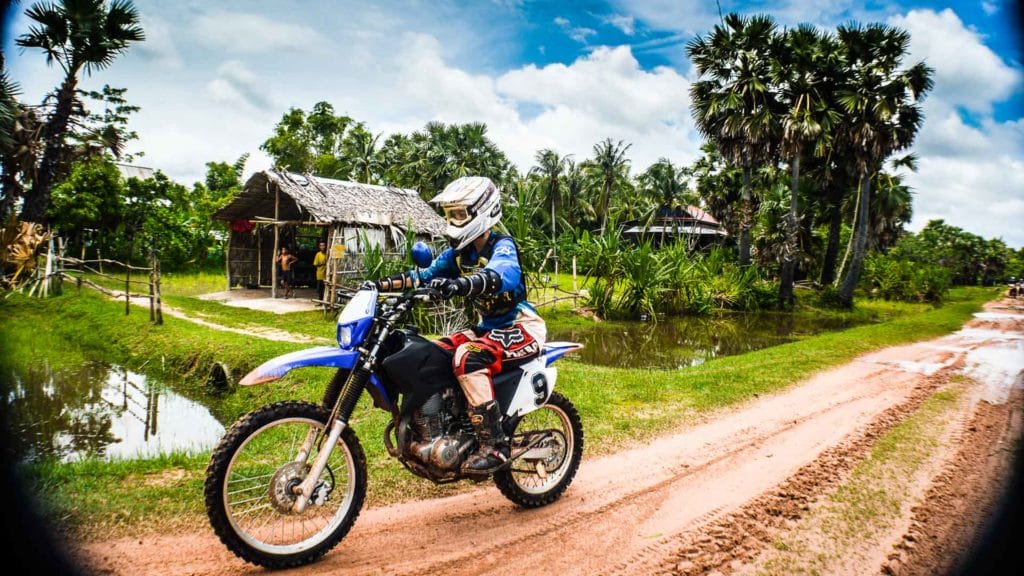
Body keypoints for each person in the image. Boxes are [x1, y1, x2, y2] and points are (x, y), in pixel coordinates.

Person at [372, 176, 545, 473]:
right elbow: (422, 277)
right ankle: (448, 427)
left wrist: (464, 284)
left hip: (521, 326)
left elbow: (504, 273)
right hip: (489, 328)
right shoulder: (459, 254)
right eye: (450, 214)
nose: (452, 220)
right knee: (433, 352)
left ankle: (495, 445)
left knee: (467, 356)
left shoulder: (501, 245)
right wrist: (378, 284)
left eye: (459, 214)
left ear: (483, 211)